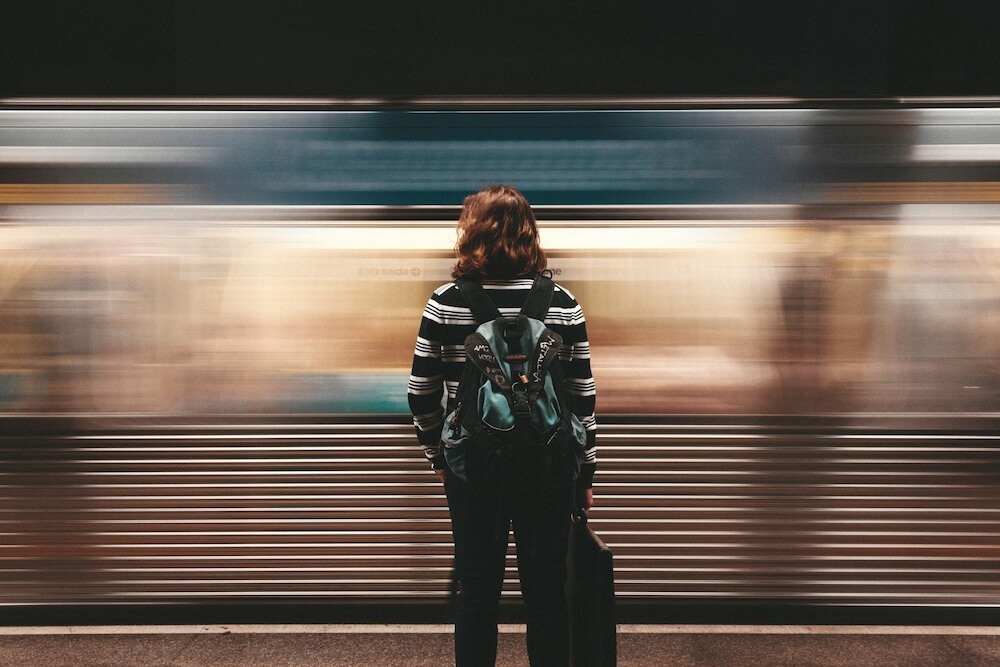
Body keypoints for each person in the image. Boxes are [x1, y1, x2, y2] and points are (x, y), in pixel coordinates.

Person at [408, 184, 597, 666]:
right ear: (530, 234)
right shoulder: (562, 302)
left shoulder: (445, 302)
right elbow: (582, 397)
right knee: (547, 594)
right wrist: (585, 473)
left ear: (470, 234)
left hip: (474, 471)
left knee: (477, 594)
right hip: (549, 469)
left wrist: (439, 458)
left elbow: (420, 393)